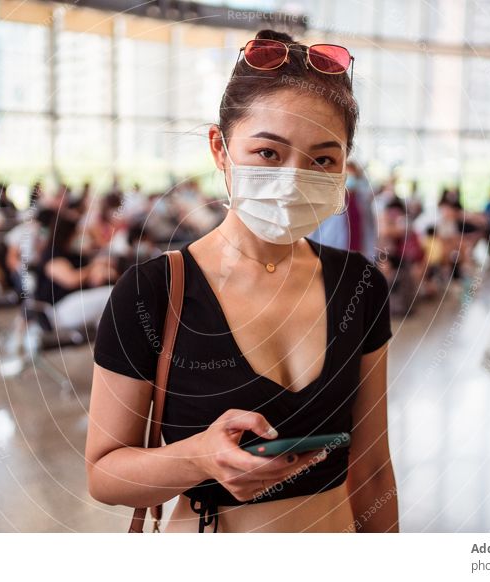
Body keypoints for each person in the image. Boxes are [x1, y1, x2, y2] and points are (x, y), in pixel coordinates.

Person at [87, 29, 398, 533]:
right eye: (269, 154)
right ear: (220, 149)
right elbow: (103, 474)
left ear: (344, 168)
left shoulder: (360, 286)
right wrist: (198, 459)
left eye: (323, 159)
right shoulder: (154, 292)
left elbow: (373, 469)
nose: (295, 179)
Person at [34, 216, 116, 331]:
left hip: (73, 302)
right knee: (112, 293)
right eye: (76, 233)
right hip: (58, 311)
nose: (78, 237)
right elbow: (71, 280)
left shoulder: (71, 254)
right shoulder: (52, 256)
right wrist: (93, 266)